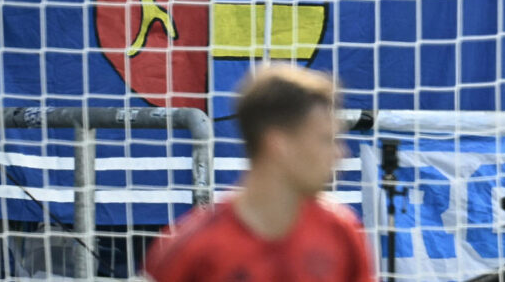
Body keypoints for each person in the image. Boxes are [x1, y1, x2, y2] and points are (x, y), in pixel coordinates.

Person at [144, 68, 369, 282]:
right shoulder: (192, 248)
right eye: (326, 140)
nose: (341, 153)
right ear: (278, 144)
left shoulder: (342, 232)